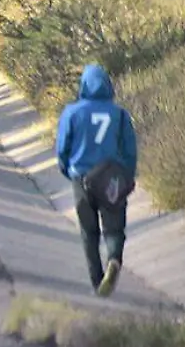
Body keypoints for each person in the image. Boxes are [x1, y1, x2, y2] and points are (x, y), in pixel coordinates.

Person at [56, 64, 138, 298]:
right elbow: (130, 151)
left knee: (88, 232)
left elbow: (63, 149)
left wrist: (67, 171)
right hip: (111, 178)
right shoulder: (119, 115)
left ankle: (97, 281)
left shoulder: (72, 113)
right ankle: (114, 259)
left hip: (81, 177)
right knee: (114, 229)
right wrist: (127, 177)